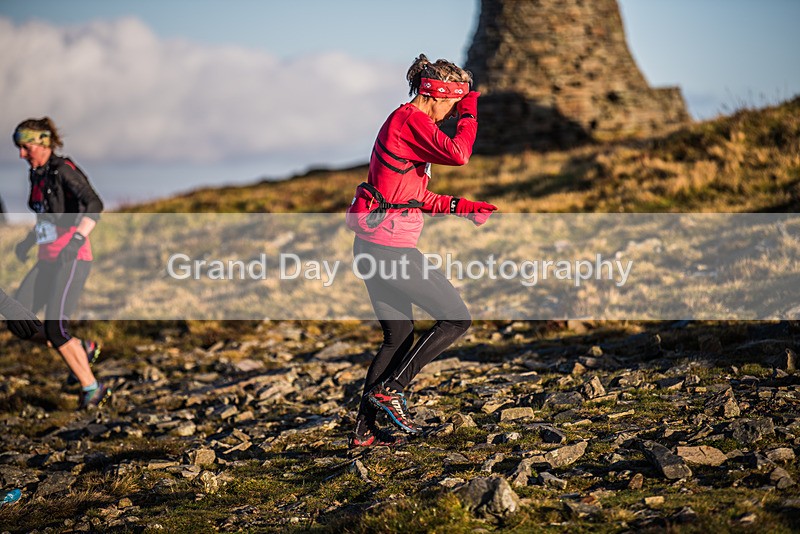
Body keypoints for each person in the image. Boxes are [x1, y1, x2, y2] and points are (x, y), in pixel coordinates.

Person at [345, 54, 497, 447]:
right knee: (456, 319)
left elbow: (407, 195)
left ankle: (364, 432)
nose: (453, 112)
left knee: (398, 336)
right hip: (391, 250)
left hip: (370, 246)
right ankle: (392, 389)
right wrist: (471, 118)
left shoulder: (404, 121)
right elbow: (459, 154)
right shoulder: (412, 120)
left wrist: (461, 207)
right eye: (453, 103)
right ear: (435, 94)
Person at [11, 117, 110, 409]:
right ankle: (80, 347)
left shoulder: (64, 170)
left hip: (72, 258)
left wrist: (78, 239)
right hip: (46, 259)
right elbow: (46, 216)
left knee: (55, 328)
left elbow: (95, 204)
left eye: (26, 147)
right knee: (18, 323)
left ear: (43, 144)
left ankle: (92, 388)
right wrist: (28, 242)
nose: (21, 155)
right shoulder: (37, 174)